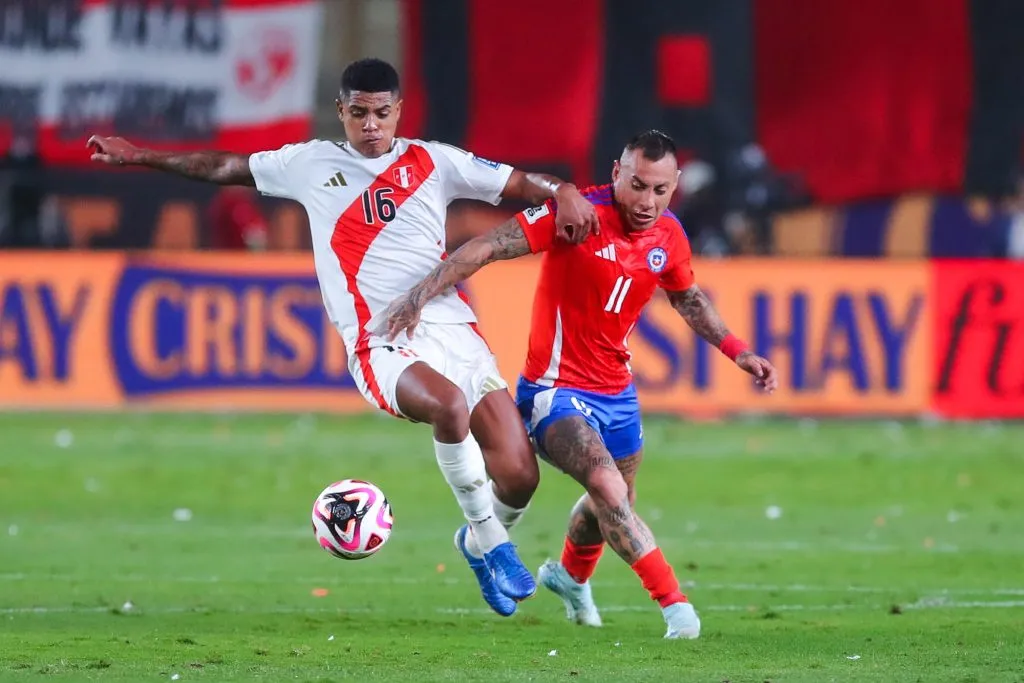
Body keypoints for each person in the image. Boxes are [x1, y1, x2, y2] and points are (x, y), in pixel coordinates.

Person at [87, 58, 599, 617]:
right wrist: (142, 156)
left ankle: (475, 545)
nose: (371, 125)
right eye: (359, 113)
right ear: (341, 111)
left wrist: (566, 190)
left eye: (382, 113)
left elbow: (522, 183)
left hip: (454, 330)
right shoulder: (311, 163)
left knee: (520, 475)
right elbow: (224, 166)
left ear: (398, 111)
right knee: (447, 405)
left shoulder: (435, 161)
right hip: (380, 342)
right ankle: (495, 544)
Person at [377, 130, 779, 639]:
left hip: (618, 393)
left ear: (675, 186)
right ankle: (676, 607)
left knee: (613, 503)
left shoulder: (670, 236)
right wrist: (421, 295)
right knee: (607, 486)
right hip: (554, 393)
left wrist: (739, 351)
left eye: (660, 190)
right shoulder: (577, 216)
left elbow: (688, 299)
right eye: (637, 185)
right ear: (617, 173)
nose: (647, 201)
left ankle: (569, 577)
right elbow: (487, 246)